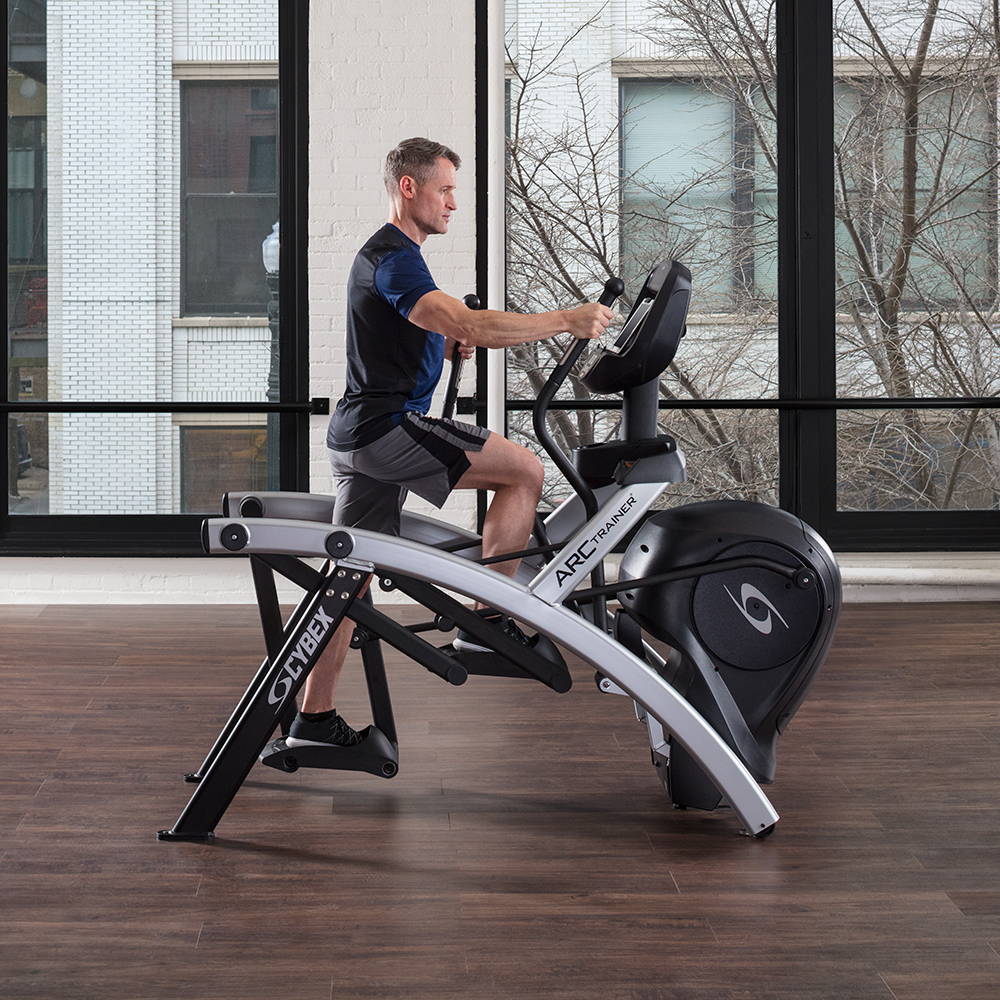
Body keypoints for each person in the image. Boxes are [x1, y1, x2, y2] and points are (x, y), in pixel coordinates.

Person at [286, 137, 613, 749]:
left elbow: (410, 329)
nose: (452, 203)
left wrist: (442, 342)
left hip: (357, 434)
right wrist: (564, 319)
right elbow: (465, 321)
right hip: (383, 431)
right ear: (408, 188)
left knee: (345, 580)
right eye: (444, 190)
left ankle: (313, 721)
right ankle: (485, 622)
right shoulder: (394, 257)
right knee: (523, 471)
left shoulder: (395, 259)